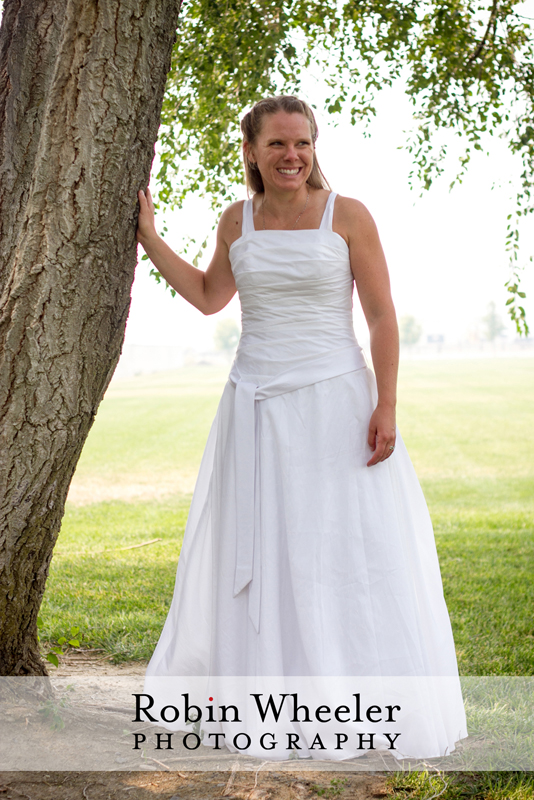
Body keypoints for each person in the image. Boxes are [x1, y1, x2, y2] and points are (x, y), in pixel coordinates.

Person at [137, 95, 468, 762]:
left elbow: (380, 316)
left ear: (315, 148)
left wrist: (387, 405)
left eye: (303, 144)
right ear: (252, 152)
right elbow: (208, 297)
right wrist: (148, 238)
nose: (293, 156)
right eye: (278, 145)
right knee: (264, 548)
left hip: (335, 403)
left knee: (345, 548)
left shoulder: (348, 216)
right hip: (253, 406)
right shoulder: (239, 220)